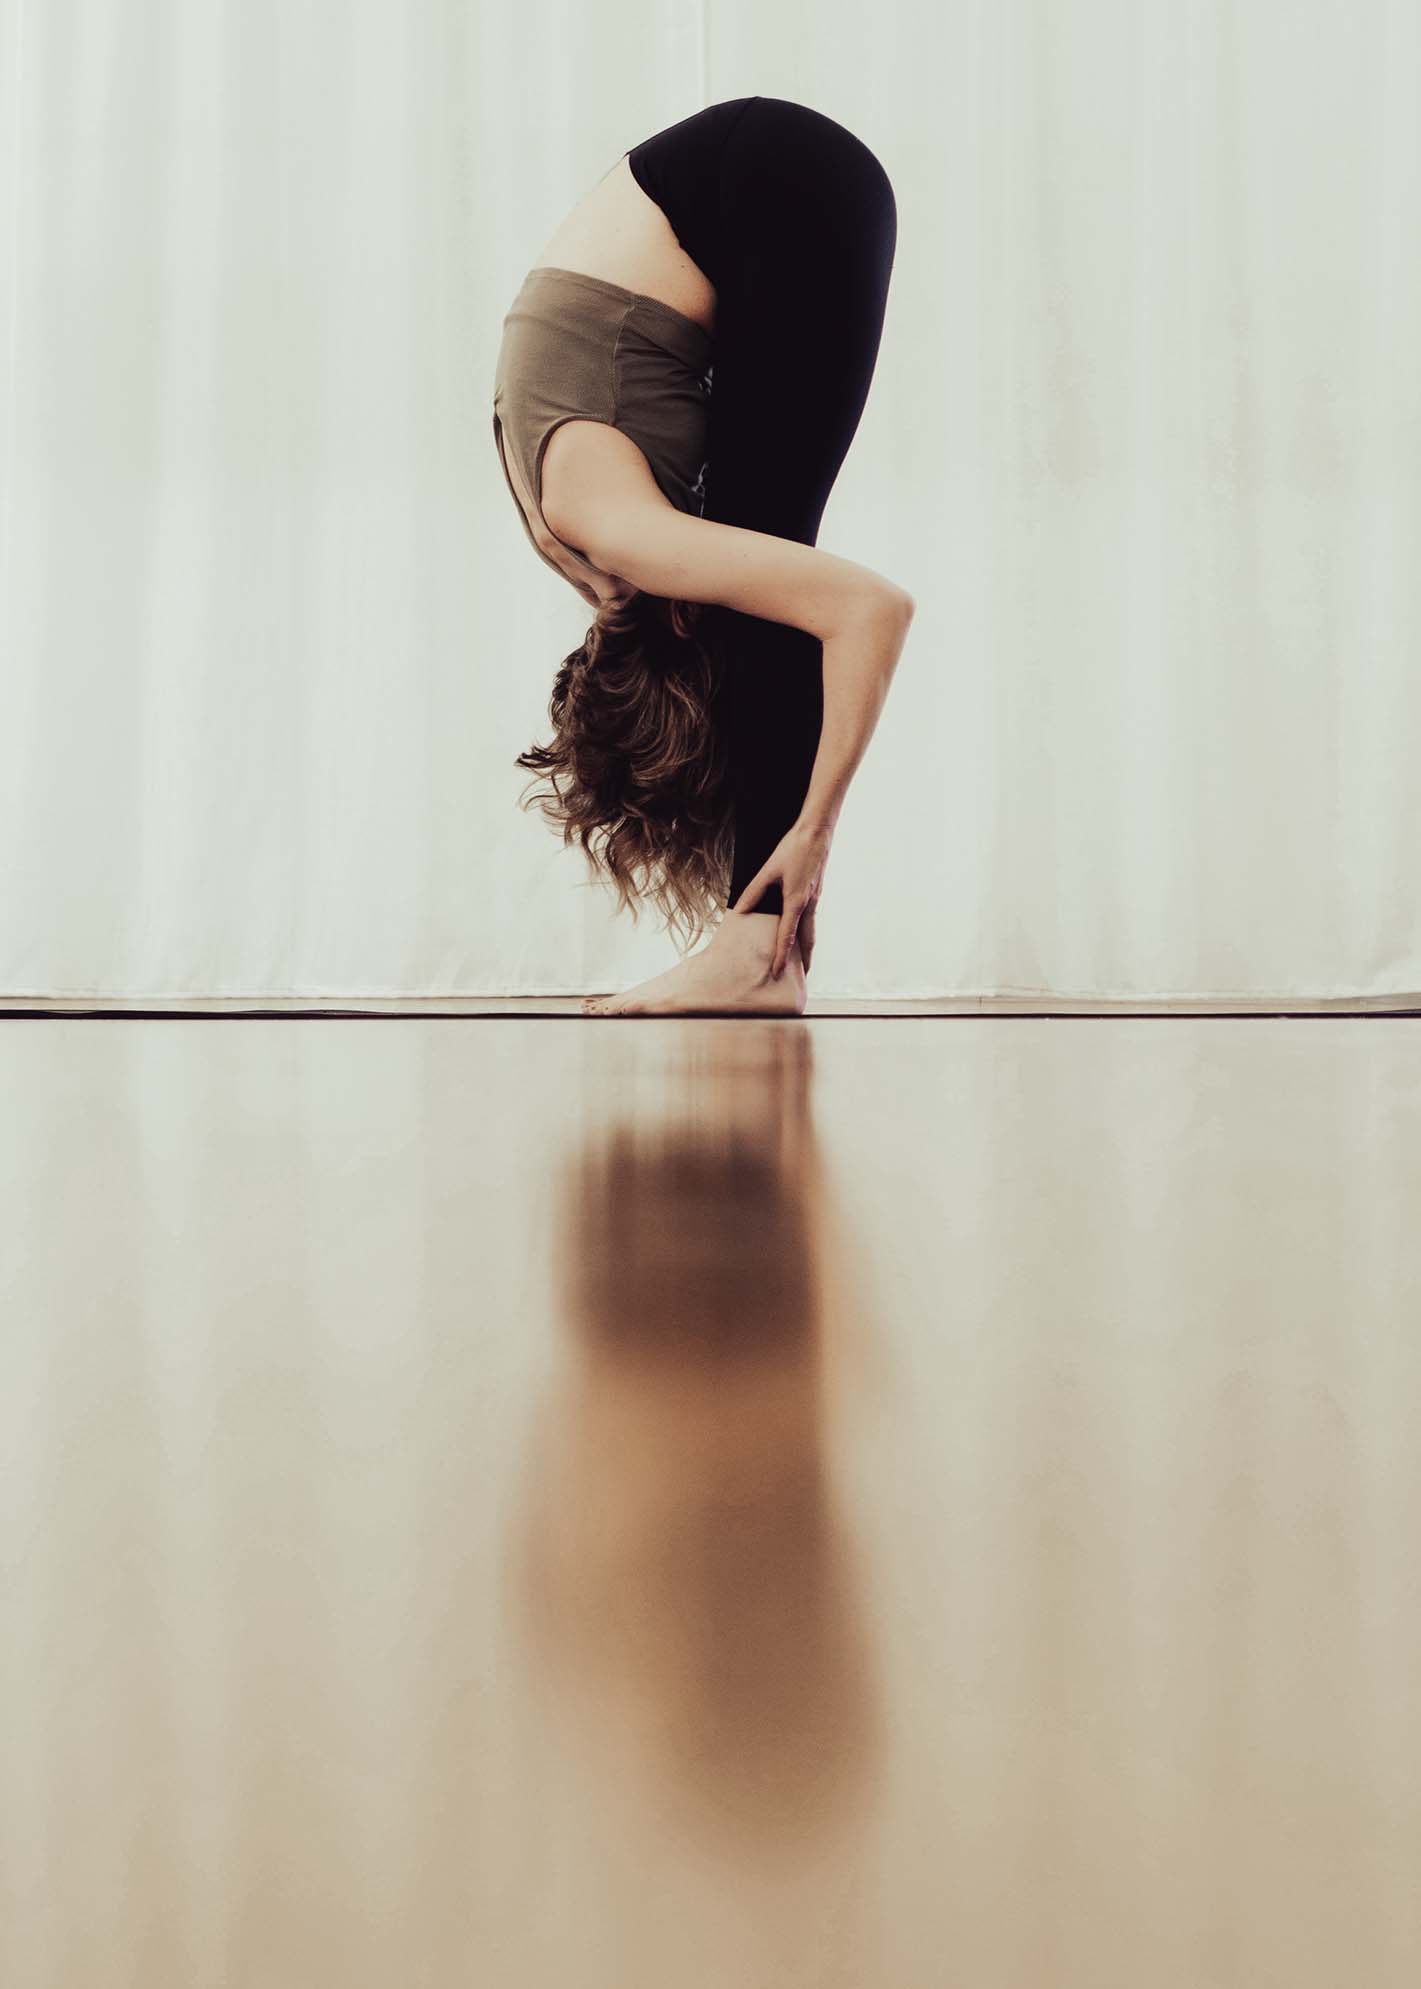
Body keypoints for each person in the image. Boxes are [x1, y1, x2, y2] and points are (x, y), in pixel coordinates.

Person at [492, 97, 912, 1016]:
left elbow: (869, 609)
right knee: (759, 563)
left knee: (763, 591)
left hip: (769, 184)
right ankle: (759, 954)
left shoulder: (623, 537)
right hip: (748, 186)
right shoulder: (589, 540)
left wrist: (813, 827)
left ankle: (759, 953)